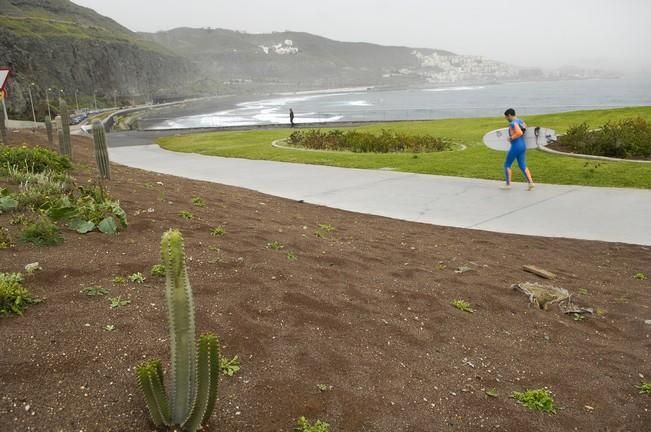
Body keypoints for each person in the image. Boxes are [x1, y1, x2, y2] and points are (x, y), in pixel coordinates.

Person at [502, 108, 535, 190]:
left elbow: (519, 132)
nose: (506, 119)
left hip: (516, 146)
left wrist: (511, 138)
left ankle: (508, 185)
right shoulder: (520, 121)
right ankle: (531, 183)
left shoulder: (513, 123)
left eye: (506, 117)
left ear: (509, 115)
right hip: (522, 145)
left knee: (507, 164)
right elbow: (524, 129)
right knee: (522, 165)